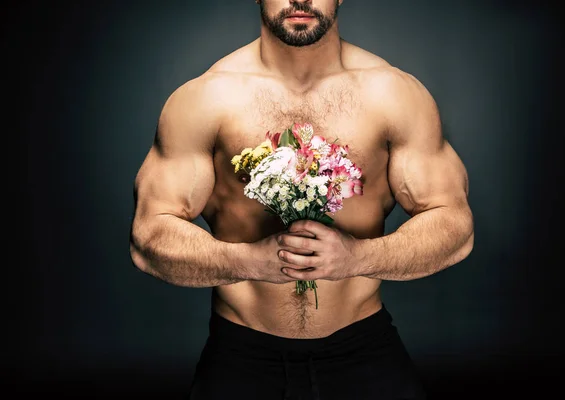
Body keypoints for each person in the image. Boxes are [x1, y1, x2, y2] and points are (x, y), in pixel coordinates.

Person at [129, 0, 474, 399]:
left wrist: (357, 258)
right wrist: (249, 261)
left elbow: (454, 225)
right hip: (241, 357)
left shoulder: (393, 94)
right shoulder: (206, 99)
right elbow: (148, 237)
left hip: (363, 350)